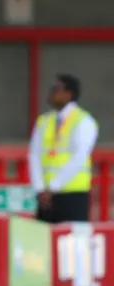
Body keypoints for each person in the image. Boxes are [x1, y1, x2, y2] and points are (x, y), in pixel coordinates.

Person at [28, 74, 97, 224]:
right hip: (46, 197)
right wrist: (40, 188)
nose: (52, 93)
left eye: (56, 89)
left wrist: (53, 187)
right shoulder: (44, 121)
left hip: (73, 193)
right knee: (43, 243)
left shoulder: (84, 121)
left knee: (73, 244)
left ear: (69, 94)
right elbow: (34, 155)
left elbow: (78, 157)